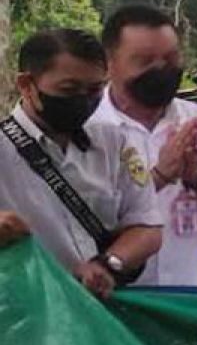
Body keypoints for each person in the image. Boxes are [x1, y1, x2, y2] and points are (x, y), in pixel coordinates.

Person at [91, 5, 197, 287]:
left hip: (192, 294)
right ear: (110, 64)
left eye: (170, 58)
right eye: (144, 61)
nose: (160, 70)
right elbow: (82, 217)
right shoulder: (86, 126)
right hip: (114, 297)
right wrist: (160, 176)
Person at [0, 29, 161, 296]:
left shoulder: (114, 142)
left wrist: (108, 265)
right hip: (26, 314)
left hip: (100, 311)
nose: (84, 100)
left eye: (95, 89)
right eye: (69, 89)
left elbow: (147, 226)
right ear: (27, 85)